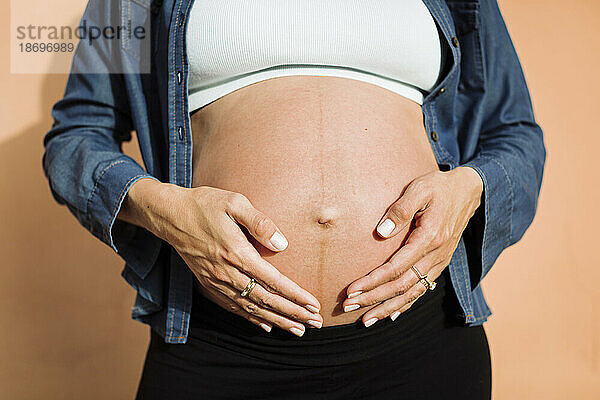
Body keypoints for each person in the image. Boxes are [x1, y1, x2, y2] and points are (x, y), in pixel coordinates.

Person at [42, 0, 546, 398]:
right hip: (219, 343)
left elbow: (516, 134)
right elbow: (77, 132)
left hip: (421, 336)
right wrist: (163, 211)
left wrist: (468, 189)